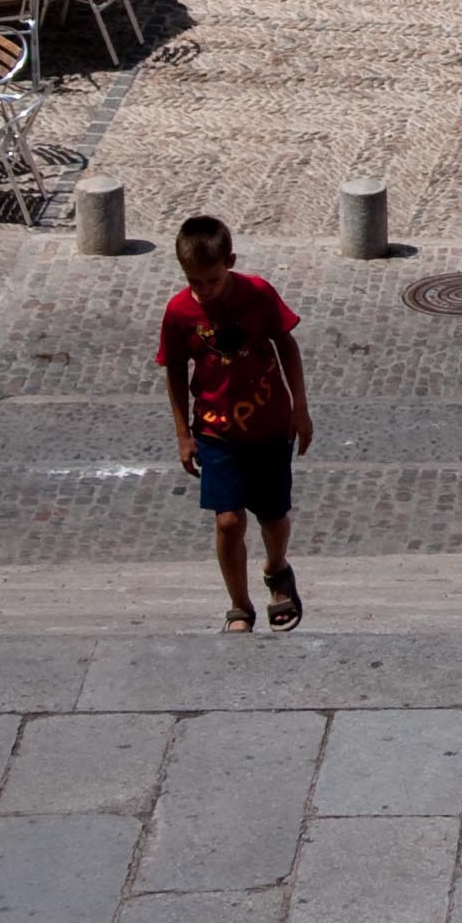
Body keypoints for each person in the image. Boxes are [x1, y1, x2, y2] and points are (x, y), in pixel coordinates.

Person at [157, 213, 312, 633]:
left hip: (269, 425)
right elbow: (173, 369)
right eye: (195, 282)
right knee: (227, 521)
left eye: (212, 280)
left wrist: (300, 407)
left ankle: (277, 571)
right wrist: (182, 434)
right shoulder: (178, 313)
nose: (204, 291)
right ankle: (240, 606)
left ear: (230, 262)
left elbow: (286, 344)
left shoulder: (257, 294)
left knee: (273, 516)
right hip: (216, 430)